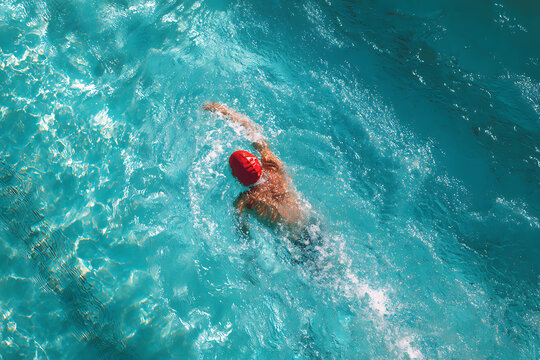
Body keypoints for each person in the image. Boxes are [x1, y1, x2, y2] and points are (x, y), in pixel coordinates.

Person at [204, 102, 306, 231]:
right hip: (310, 223)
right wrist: (226, 112)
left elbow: (241, 228)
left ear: (237, 177)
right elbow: (252, 132)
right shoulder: (273, 166)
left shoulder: (247, 200)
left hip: (295, 240)